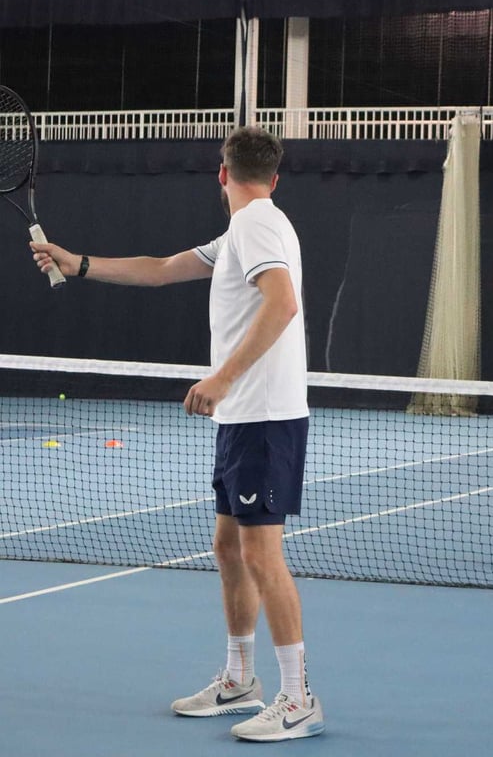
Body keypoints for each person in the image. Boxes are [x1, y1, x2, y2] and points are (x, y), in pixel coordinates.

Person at [30, 127, 324, 742]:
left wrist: (220, 379)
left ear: (223, 175)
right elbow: (162, 269)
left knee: (262, 554)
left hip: (263, 415)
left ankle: (299, 698)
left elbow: (283, 304)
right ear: (273, 176)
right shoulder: (243, 230)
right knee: (228, 547)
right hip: (242, 418)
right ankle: (242, 678)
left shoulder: (259, 225)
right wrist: (77, 262)